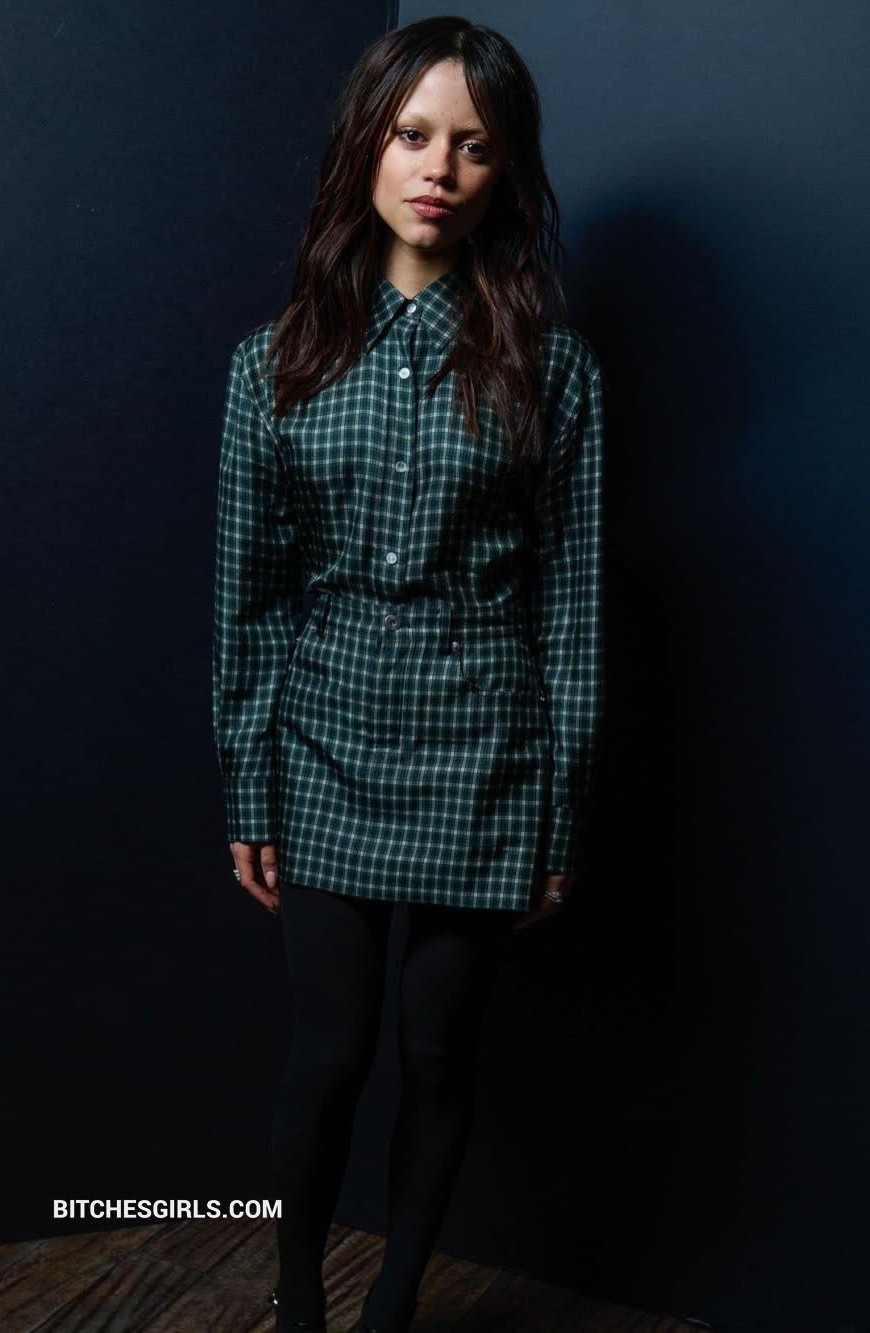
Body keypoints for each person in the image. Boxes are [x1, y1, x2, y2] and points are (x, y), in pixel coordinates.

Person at [212, 16, 606, 1332]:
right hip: (324, 740)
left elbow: (571, 606)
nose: (440, 167)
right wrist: (248, 783)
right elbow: (250, 597)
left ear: (506, 172)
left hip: (485, 756)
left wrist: (559, 809)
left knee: (439, 1049)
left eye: (475, 146)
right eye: (413, 134)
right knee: (328, 1054)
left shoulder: (555, 371)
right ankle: (297, 1302)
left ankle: (390, 1310)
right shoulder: (270, 365)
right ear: (366, 148)